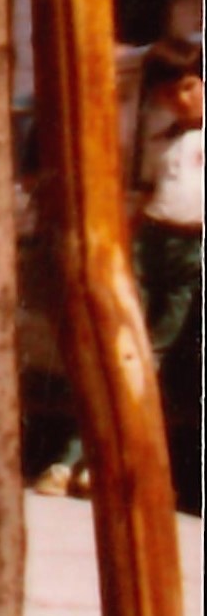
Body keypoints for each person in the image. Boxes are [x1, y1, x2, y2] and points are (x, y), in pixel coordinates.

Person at [136, 48, 202, 516]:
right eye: (170, 92)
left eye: (190, 87)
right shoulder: (163, 141)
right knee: (157, 355)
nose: (182, 99)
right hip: (161, 243)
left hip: (194, 250)